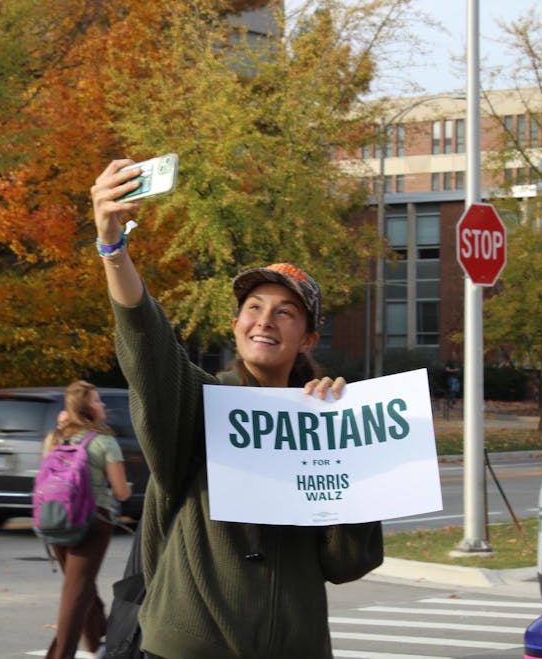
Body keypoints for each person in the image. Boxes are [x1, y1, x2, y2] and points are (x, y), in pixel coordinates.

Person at [91, 159, 384, 659]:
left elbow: (348, 561)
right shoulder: (202, 402)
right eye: (253, 307)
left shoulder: (328, 423)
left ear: (308, 337)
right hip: (188, 648)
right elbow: (148, 346)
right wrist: (113, 248)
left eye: (285, 312)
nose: (264, 320)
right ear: (235, 324)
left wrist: (340, 446)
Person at [45, 381, 132, 659]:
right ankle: (60, 655)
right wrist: (126, 487)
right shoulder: (104, 441)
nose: (103, 404)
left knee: (80, 585)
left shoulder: (55, 439)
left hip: (54, 517)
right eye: (97, 401)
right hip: (92, 521)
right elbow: (121, 492)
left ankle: (99, 641)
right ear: (87, 409)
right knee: (77, 592)